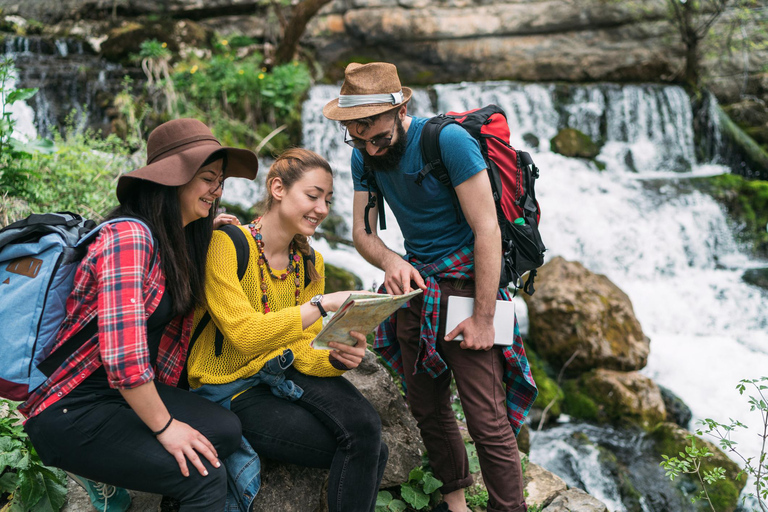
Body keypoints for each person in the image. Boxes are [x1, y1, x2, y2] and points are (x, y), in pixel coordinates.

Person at [323, 62, 538, 512]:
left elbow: (487, 232)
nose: (369, 146)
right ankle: (455, 503)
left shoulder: (448, 142)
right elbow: (364, 235)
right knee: (427, 406)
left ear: (401, 109)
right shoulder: (363, 154)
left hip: (470, 284)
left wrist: (482, 318)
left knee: (486, 420)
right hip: (417, 285)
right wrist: (392, 260)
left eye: (376, 135)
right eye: (356, 136)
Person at [20, 118, 260, 512]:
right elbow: (123, 357)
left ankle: (113, 466)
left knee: (225, 431)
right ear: (171, 179)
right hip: (71, 405)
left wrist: (204, 225)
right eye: (207, 179)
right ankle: (94, 466)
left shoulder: (171, 239)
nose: (216, 190)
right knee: (205, 476)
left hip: (118, 394)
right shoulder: (128, 240)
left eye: (220, 181)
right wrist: (166, 429)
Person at [186, 148, 389, 512]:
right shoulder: (225, 245)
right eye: (312, 196)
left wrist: (339, 358)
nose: (322, 209)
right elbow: (245, 335)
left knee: (368, 437)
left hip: (279, 370)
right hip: (229, 388)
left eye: (327, 200)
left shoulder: (310, 261)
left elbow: (303, 347)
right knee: (368, 449)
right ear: (277, 188)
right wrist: (321, 305)